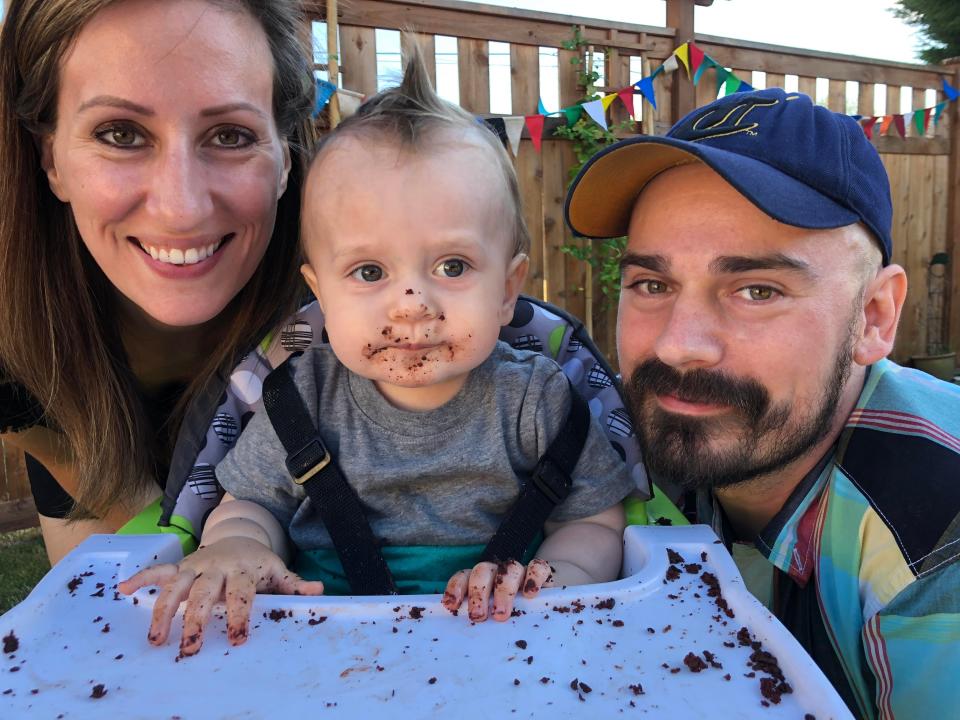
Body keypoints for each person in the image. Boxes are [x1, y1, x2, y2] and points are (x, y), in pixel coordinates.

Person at [120, 50, 633, 657]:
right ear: (321, 295)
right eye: (368, 271)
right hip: (321, 651)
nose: (411, 305)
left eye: (452, 266)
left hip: (503, 645)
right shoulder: (298, 399)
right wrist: (238, 548)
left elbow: (595, 523)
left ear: (507, 291)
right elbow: (248, 505)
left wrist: (560, 582)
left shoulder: (540, 400)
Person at [565, 87, 960, 719]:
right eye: (652, 284)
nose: (678, 345)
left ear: (874, 317)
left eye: (756, 289)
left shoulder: (938, 532)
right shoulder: (613, 441)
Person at [0, 0, 316, 563]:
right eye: (120, 133)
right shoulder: (13, 343)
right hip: (81, 433)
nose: (181, 209)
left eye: (231, 135)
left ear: (286, 156)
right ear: (50, 158)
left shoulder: (339, 315)